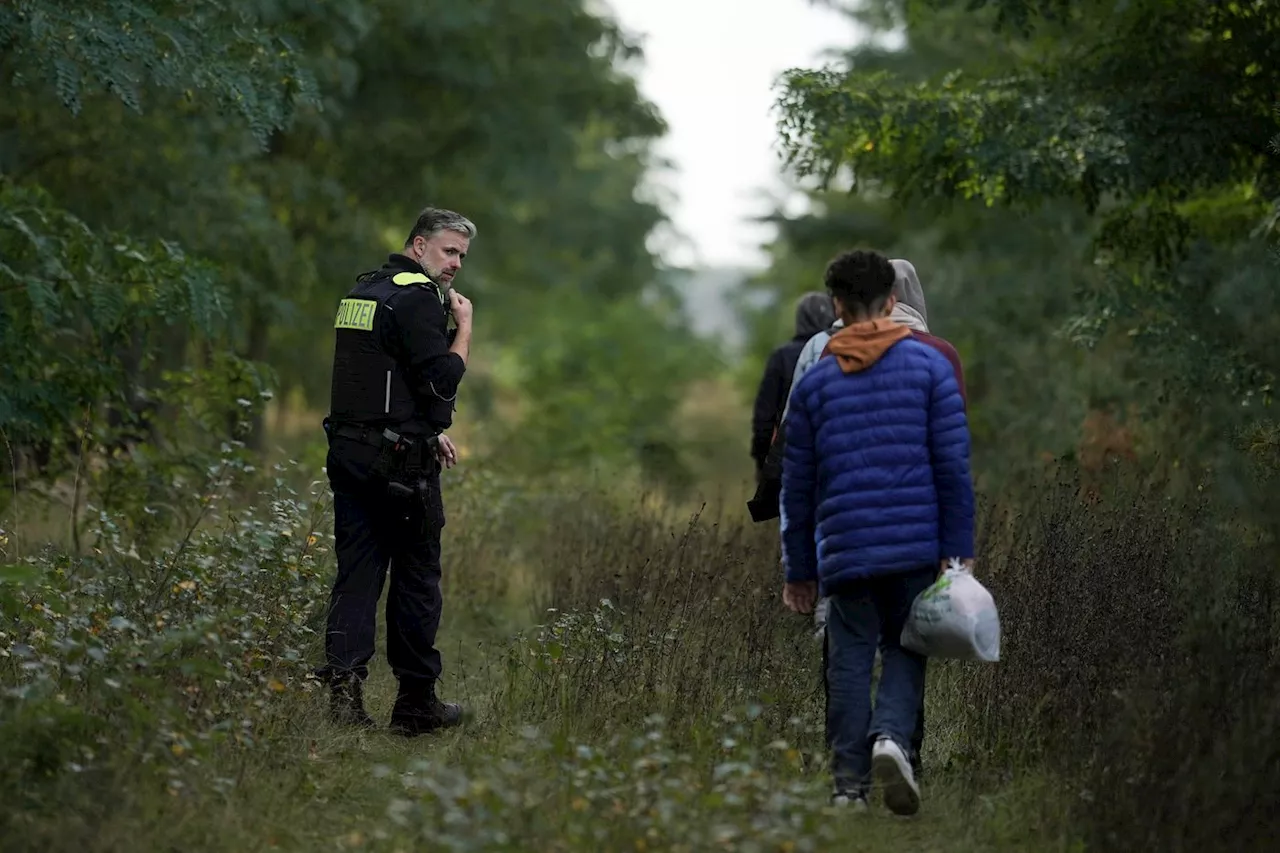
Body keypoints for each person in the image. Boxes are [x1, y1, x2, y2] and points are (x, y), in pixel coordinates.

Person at [781, 249, 974, 815]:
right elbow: (952, 467)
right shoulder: (930, 368)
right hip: (916, 542)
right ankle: (891, 737)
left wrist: (799, 571)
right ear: (892, 302)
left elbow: (798, 488)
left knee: (848, 657)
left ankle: (847, 787)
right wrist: (957, 552)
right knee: (905, 646)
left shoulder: (815, 387)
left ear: (836, 307)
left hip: (844, 547)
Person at [316, 206, 475, 737]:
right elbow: (441, 383)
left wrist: (424, 429)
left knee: (356, 577)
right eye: (448, 251)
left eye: (460, 256)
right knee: (415, 581)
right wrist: (465, 328)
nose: (454, 264)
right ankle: (415, 706)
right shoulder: (418, 299)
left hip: (350, 453)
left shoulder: (362, 295)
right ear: (417, 245)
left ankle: (342, 700)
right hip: (401, 467)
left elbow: (380, 379)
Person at [749, 292, 836, 481]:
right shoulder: (841, 349)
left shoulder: (782, 357)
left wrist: (762, 460)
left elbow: (765, 415)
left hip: (790, 455)